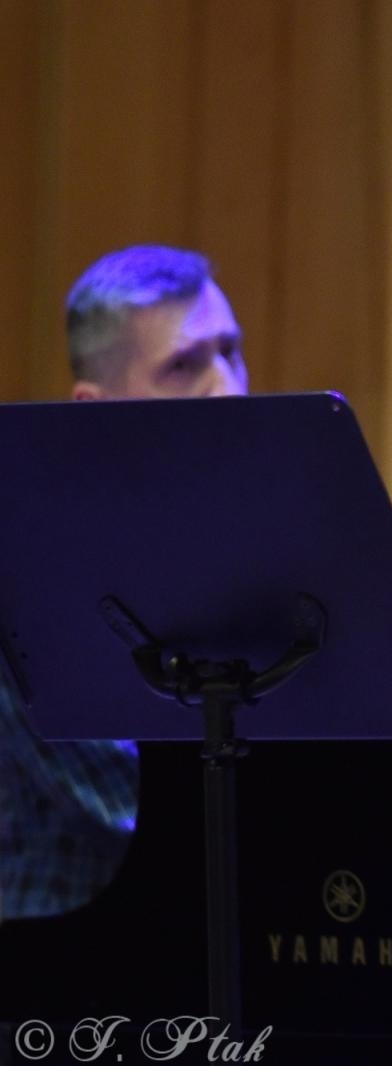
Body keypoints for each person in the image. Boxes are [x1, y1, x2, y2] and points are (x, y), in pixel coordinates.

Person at [0, 244, 246, 922]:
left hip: (175, 933)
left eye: (232, 352)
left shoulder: (232, 548)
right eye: (184, 365)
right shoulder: (33, 567)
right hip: (55, 969)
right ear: (94, 407)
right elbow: (124, 802)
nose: (227, 387)